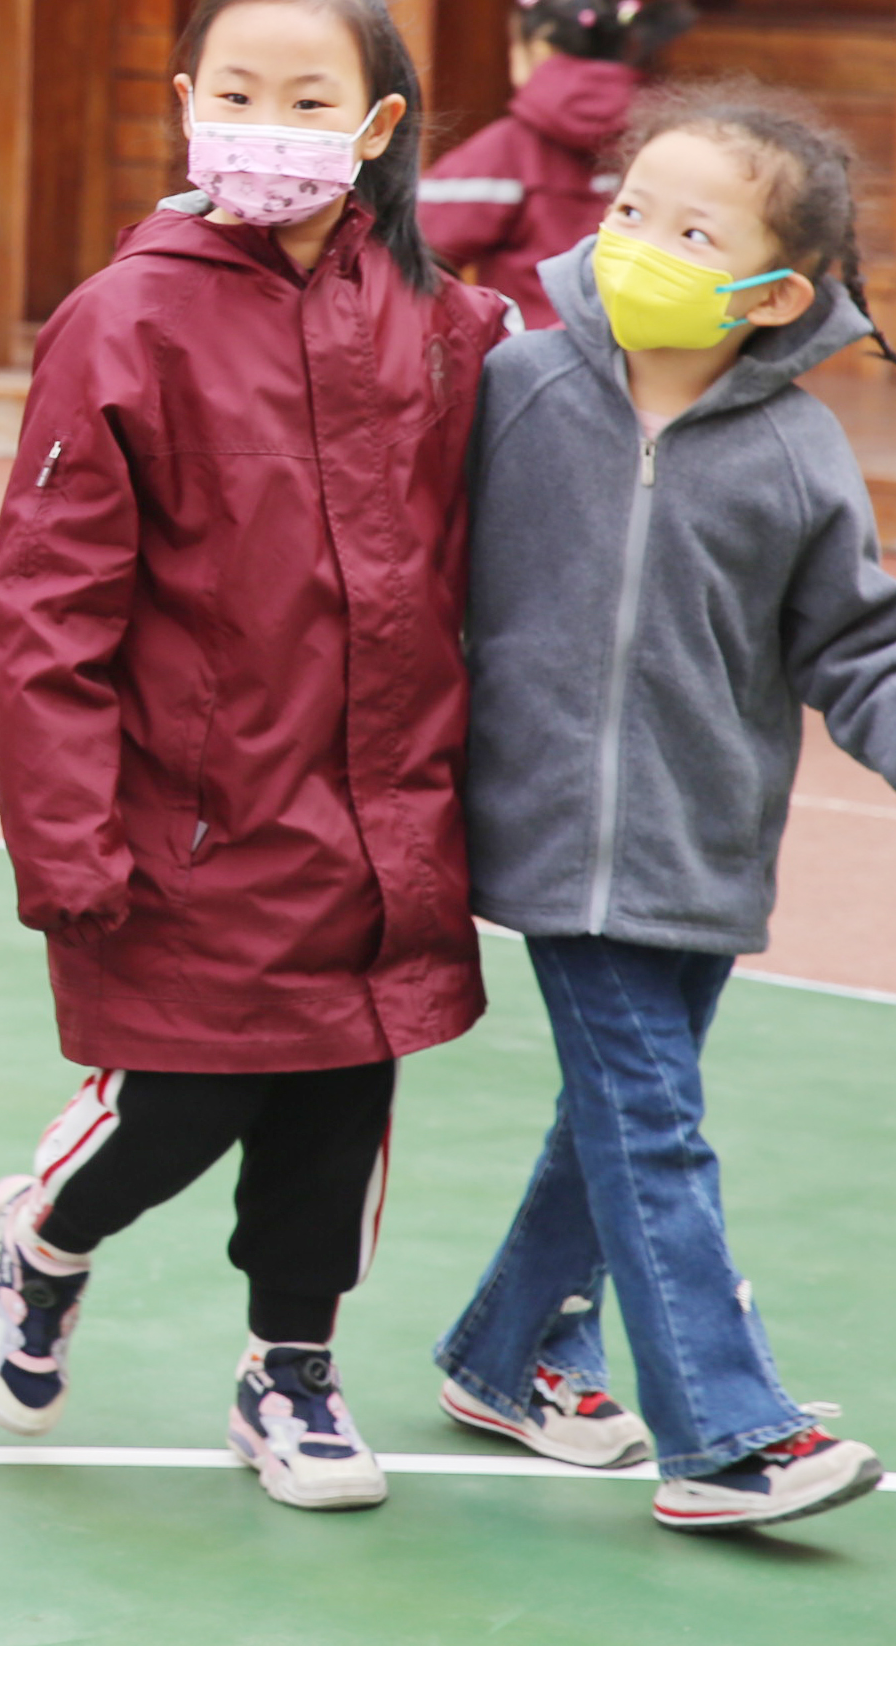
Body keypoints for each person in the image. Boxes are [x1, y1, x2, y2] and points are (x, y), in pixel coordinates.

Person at [0, 0, 512, 1512]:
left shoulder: (434, 322)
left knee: (338, 1109)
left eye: (310, 99)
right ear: (185, 107)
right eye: (238, 95)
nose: (269, 124)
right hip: (189, 821)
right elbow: (44, 613)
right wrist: (66, 840)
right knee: (186, 1097)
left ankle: (293, 1374)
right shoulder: (120, 324)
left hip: (383, 815)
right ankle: (44, 1233)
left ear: (378, 124)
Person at [435, 81, 894, 1533]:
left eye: (689, 231)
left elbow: (857, 648)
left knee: (611, 1121)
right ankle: (722, 1429)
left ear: (772, 294)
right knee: (653, 1123)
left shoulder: (796, 456)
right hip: (556, 840)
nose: (637, 244)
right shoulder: (517, 389)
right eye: (630, 210)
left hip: (704, 845)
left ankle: (503, 1353)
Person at [421, 0, 693, 329]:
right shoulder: (663, 138)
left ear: (539, 49)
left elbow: (412, 234)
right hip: (636, 350)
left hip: (528, 358)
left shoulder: (511, 146)